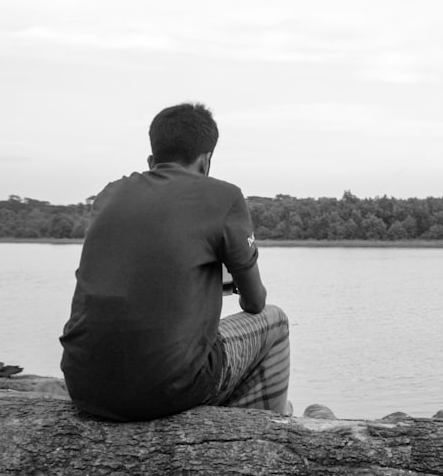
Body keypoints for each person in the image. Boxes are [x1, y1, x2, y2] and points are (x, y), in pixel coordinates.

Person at [60, 102, 290, 422]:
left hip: (83, 386)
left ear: (152, 160)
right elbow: (255, 303)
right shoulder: (225, 197)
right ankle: (269, 435)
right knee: (275, 321)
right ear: (206, 160)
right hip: (165, 389)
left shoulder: (109, 193)